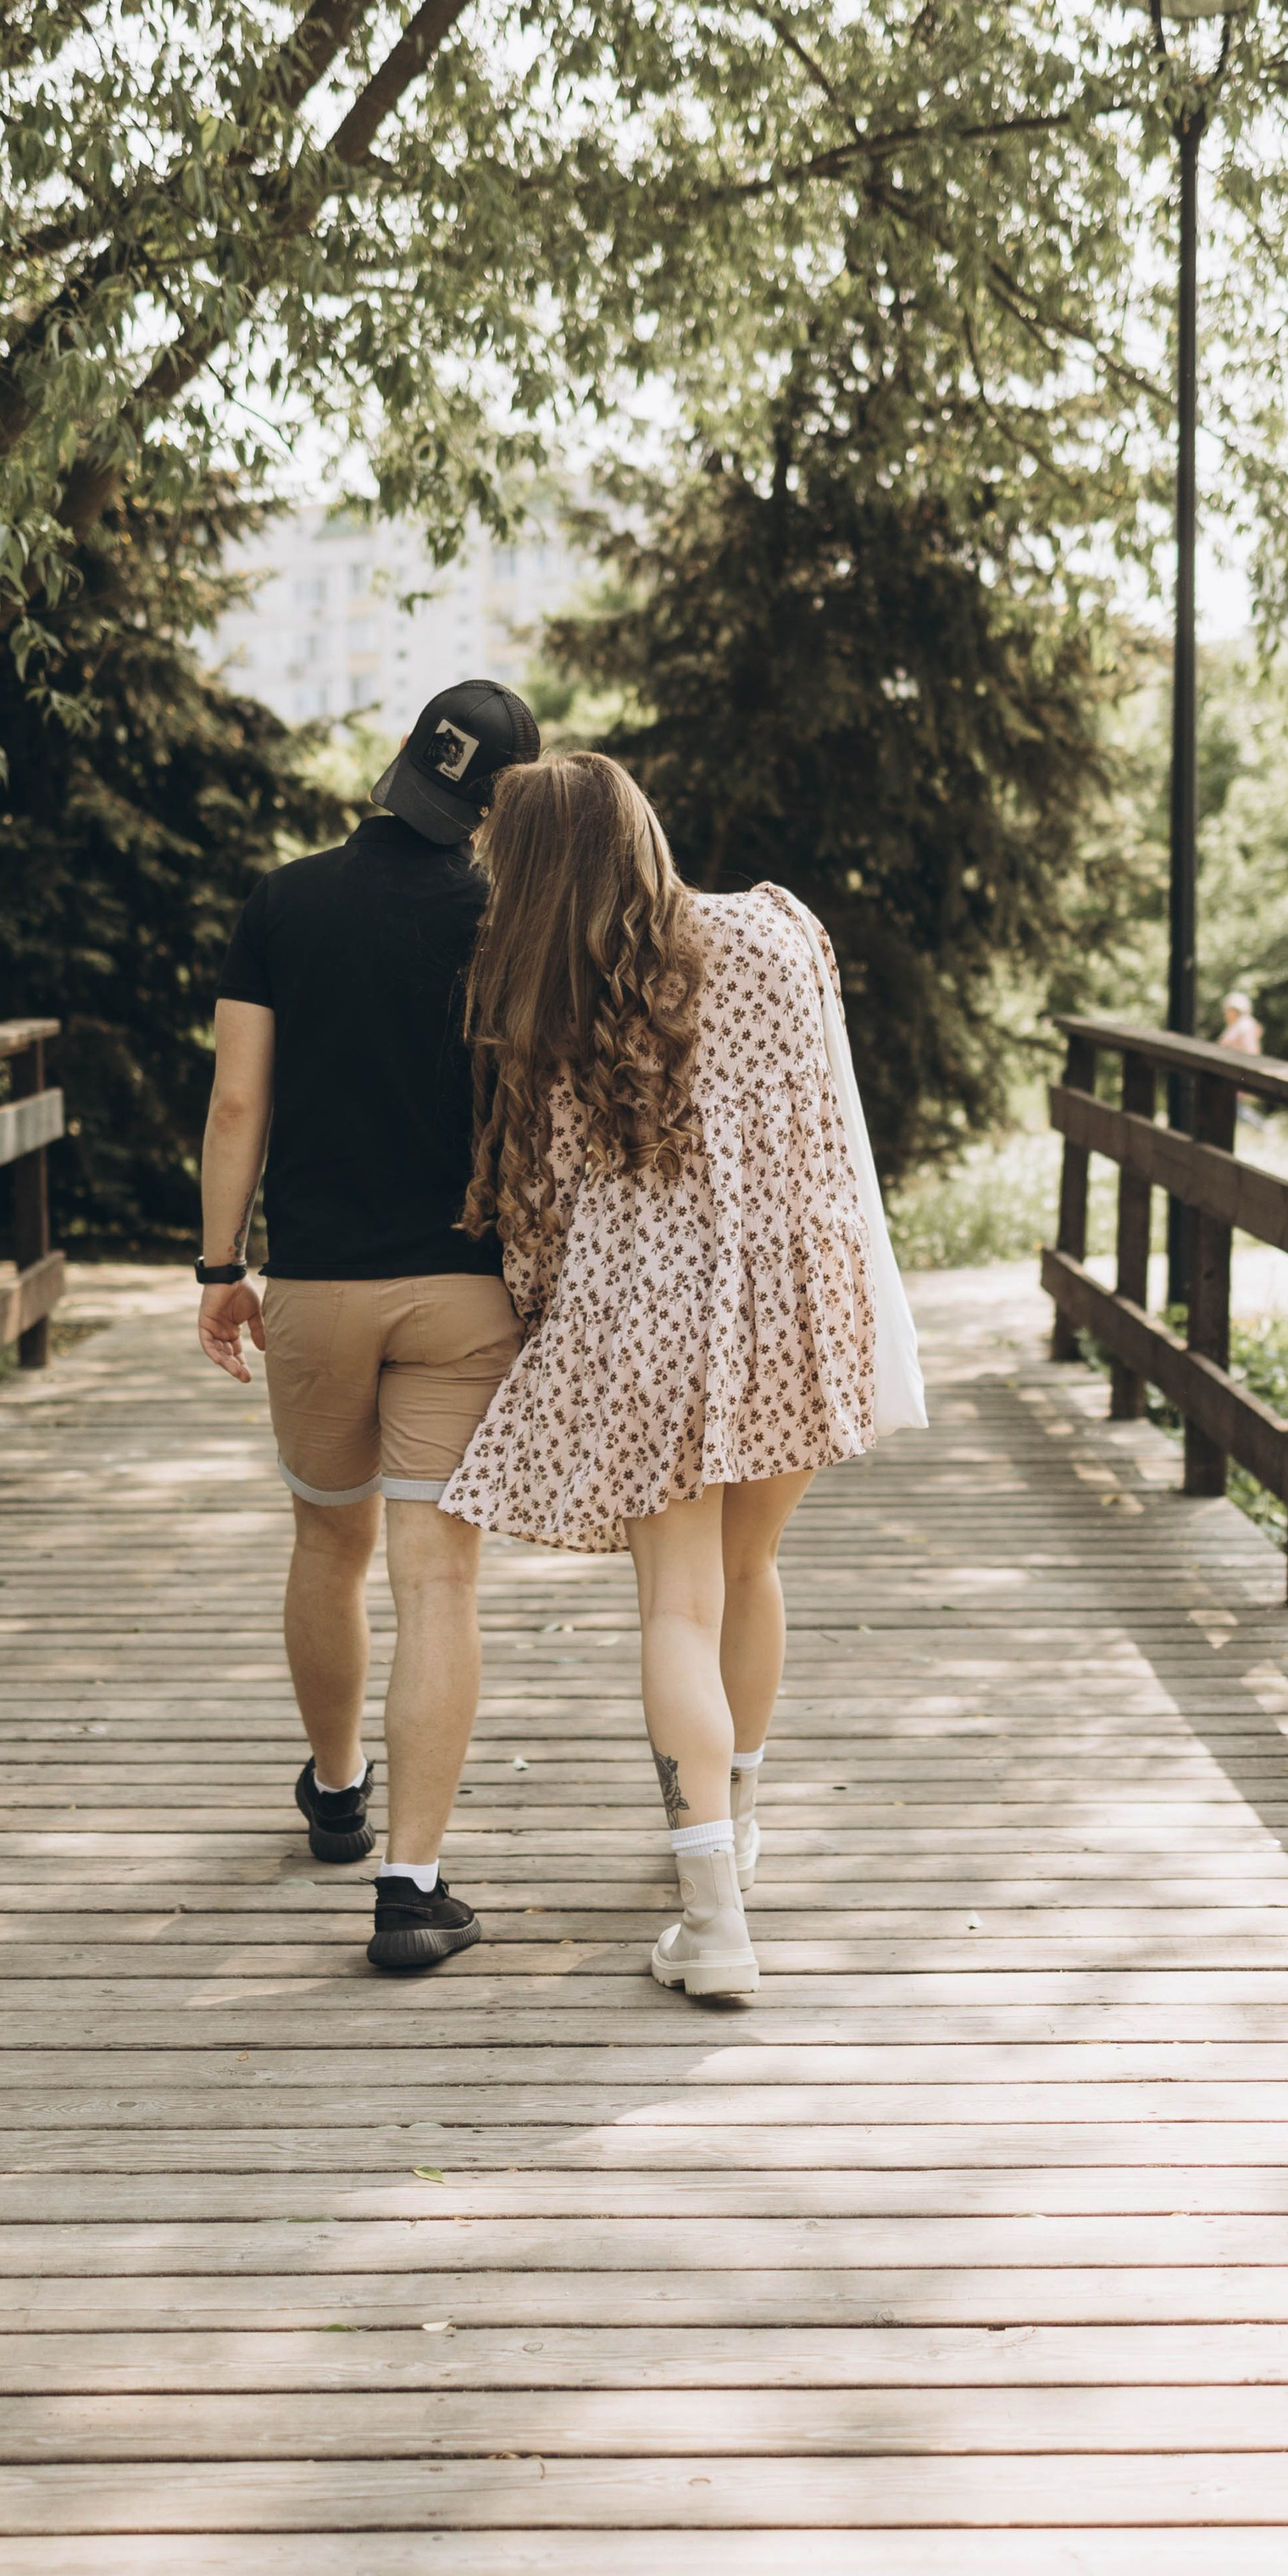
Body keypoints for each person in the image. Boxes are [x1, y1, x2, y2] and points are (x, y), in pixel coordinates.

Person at [441, 751, 881, 2008]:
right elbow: (828, 1114)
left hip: (647, 1321)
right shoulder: (785, 930)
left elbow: (539, 1201)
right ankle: (732, 1838)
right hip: (796, 1296)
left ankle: (716, 1921)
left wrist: (536, 1314)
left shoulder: (559, 994)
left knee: (675, 1611)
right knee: (754, 1572)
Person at [197, 678, 540, 1974]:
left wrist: (220, 1266)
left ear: (403, 768)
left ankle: (335, 1792)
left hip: (319, 1289)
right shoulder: (510, 920)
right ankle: (411, 1886)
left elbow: (239, 1107)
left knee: (324, 1545)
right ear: (499, 806)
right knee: (437, 1577)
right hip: (464, 1291)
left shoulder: (284, 901)